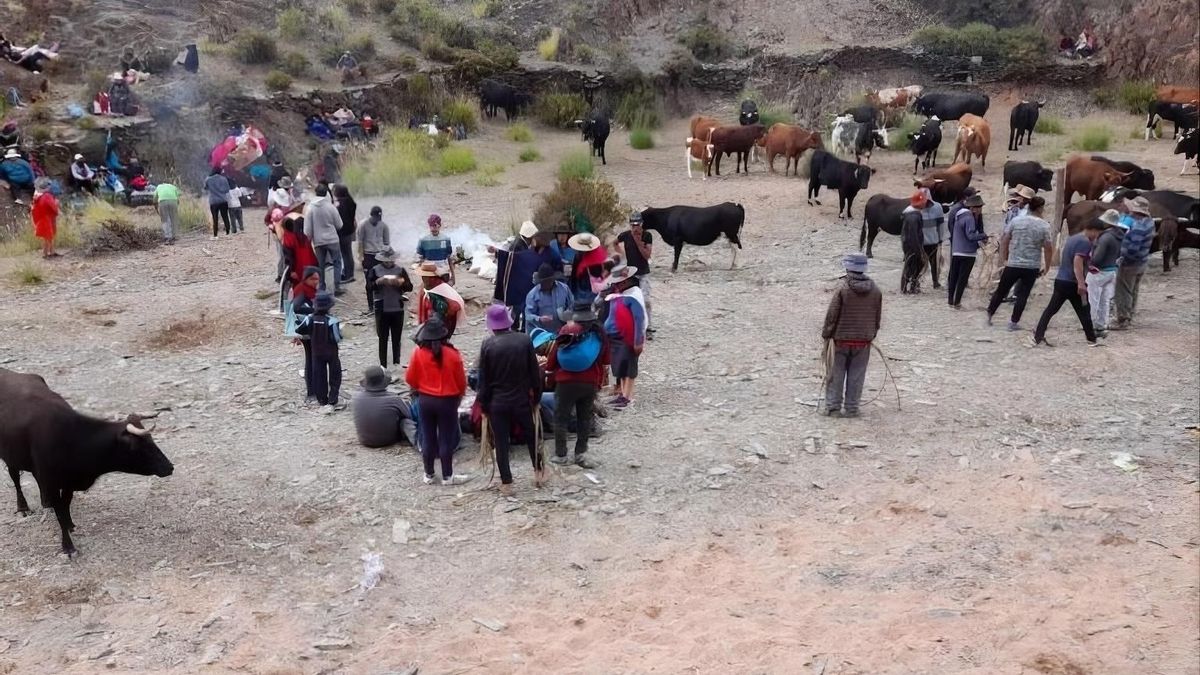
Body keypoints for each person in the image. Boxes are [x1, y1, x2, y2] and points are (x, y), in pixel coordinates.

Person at [477, 305, 544, 495]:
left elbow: (485, 381)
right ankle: (538, 473)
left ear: (492, 325)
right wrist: (536, 398)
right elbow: (534, 374)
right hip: (522, 400)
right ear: (508, 321)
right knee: (532, 436)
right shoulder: (524, 340)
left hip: (498, 403)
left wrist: (483, 405)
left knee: (501, 442)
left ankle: (507, 483)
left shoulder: (488, 345)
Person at [405, 316, 470, 486]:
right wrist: (460, 396)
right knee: (445, 438)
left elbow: (410, 379)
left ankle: (429, 474)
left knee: (428, 436)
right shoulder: (453, 355)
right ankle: (448, 476)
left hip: (426, 400)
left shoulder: (418, 353)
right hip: (448, 401)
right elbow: (461, 381)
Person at [545, 303, 609, 468]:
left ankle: (561, 455)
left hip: (566, 383)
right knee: (584, 418)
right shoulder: (599, 333)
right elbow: (606, 360)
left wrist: (549, 370)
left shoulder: (567, 332)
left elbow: (553, 359)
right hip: (590, 382)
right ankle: (580, 454)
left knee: (561, 418)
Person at [821, 253, 883, 418]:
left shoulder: (843, 289)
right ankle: (852, 408)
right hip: (863, 341)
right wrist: (871, 334)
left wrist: (827, 335)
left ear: (848, 268)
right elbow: (877, 317)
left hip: (840, 340)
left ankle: (833, 408)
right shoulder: (875, 290)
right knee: (857, 375)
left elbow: (832, 315)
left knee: (836, 374)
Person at [986, 195, 1054, 330]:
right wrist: (1047, 266)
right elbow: (1048, 248)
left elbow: (1005, 239)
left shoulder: (1016, 221)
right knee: (1023, 294)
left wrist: (1003, 258)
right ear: (1040, 209)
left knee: (1001, 291)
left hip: (1013, 263)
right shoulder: (1044, 226)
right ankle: (1013, 322)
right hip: (1031, 265)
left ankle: (989, 314)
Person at [1033, 220, 1101, 346]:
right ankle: (1091, 338)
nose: (1097, 236)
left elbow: (1071, 259)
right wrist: (1081, 283)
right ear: (1092, 229)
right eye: (1097, 233)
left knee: (1050, 310)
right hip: (1073, 282)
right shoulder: (1085, 242)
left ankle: (1038, 335)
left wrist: (1091, 268)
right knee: (1084, 309)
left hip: (1061, 280)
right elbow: (1077, 262)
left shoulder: (1072, 238)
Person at [602, 263, 647, 409]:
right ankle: (622, 394)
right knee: (620, 366)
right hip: (616, 338)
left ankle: (628, 396)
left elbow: (639, 319)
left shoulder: (633, 296)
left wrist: (638, 341)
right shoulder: (619, 296)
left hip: (627, 337)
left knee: (629, 368)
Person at [1112, 197, 1155, 331]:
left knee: (1123, 290)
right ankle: (1129, 315)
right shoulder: (1149, 222)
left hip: (1130, 264)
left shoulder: (1137, 227)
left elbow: (1133, 249)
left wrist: (1123, 259)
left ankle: (1123, 319)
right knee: (1133, 290)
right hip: (1142, 261)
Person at [295, 291, 343, 409]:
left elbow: (300, 330)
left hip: (316, 352)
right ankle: (333, 398)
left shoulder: (310, 318)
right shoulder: (332, 320)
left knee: (319, 375)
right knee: (335, 375)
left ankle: (322, 399)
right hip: (331, 352)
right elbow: (337, 338)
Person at [367, 248, 412, 370]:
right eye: (386, 261)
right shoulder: (374, 270)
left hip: (397, 307)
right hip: (381, 308)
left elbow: (409, 287)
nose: (388, 263)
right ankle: (383, 365)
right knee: (382, 337)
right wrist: (378, 282)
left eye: (390, 261)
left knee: (397, 337)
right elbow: (369, 288)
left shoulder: (400, 270)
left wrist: (401, 282)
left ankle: (396, 362)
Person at [352, 366, 419, 449]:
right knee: (405, 421)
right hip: (388, 440)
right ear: (383, 381)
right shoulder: (393, 399)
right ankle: (419, 443)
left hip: (364, 440)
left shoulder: (357, 398)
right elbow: (409, 416)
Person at [946, 193, 989, 308]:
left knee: (953, 277)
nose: (980, 210)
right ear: (974, 208)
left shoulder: (958, 216)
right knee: (962, 279)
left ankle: (950, 300)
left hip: (956, 251)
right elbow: (970, 236)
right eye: (979, 207)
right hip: (967, 254)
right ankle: (957, 302)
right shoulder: (970, 218)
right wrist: (983, 236)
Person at [1086, 209, 1123, 336]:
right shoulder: (1119, 235)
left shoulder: (1105, 237)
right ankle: (1101, 326)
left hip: (1099, 272)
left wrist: (1090, 263)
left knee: (1093, 299)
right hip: (1112, 270)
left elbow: (1097, 258)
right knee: (1105, 300)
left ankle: (1089, 325)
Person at [617, 211, 655, 334]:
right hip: (631, 273)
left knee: (646, 300)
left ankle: (648, 325)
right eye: (633, 225)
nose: (635, 228)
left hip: (643, 272)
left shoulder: (647, 236)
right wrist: (621, 259)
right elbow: (614, 243)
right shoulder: (626, 235)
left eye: (637, 225)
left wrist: (639, 243)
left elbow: (647, 256)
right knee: (629, 300)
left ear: (641, 224)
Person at [303, 183, 345, 294]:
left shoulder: (310, 208)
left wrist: (310, 238)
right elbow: (339, 224)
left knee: (320, 265)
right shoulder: (331, 207)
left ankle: (321, 286)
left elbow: (307, 229)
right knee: (337, 262)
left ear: (315, 193)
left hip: (318, 241)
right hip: (332, 240)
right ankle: (337, 286)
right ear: (326, 193)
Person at [290, 266, 321, 404]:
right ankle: (311, 392)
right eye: (313, 279)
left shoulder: (309, 290)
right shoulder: (302, 290)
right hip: (306, 330)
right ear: (306, 279)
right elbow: (296, 307)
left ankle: (315, 389)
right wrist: (316, 309)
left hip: (311, 328)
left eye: (317, 279)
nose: (316, 282)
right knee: (311, 359)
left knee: (313, 359)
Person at [413, 261, 465, 336]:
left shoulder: (441, 288)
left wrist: (441, 315)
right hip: (429, 324)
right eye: (423, 276)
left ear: (431, 277)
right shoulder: (424, 288)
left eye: (425, 276)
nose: (423, 278)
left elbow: (455, 306)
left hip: (441, 325)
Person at [357, 205, 391, 312]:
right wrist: (361, 256)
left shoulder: (384, 226)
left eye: (379, 218)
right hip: (368, 255)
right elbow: (360, 242)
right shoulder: (363, 225)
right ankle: (370, 306)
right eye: (375, 218)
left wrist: (387, 256)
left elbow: (387, 242)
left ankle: (381, 304)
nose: (377, 220)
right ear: (371, 216)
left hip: (380, 256)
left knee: (381, 281)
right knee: (369, 282)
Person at [524, 263, 572, 333]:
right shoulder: (533, 294)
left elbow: (572, 305)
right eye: (543, 282)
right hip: (543, 335)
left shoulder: (564, 288)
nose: (545, 284)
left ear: (553, 279)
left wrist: (568, 316)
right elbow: (528, 315)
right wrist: (539, 319)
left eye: (547, 281)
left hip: (563, 331)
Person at [916, 188, 947, 288]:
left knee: (934, 262)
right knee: (919, 262)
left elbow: (940, 224)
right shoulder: (915, 207)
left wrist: (940, 238)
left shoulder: (937, 207)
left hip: (933, 240)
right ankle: (916, 281)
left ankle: (935, 281)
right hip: (920, 241)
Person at [568, 232, 608, 304]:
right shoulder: (599, 253)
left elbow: (574, 275)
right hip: (598, 286)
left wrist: (572, 290)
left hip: (584, 287)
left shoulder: (579, 256)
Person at [899, 190, 926, 294]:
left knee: (911, 264)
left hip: (908, 244)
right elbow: (914, 235)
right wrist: (918, 250)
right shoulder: (914, 217)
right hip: (912, 245)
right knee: (913, 264)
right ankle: (908, 286)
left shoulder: (911, 214)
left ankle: (909, 286)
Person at [416, 213, 455, 282]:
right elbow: (421, 259)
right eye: (431, 226)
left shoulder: (446, 239)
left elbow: (449, 258)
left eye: (435, 226)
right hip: (428, 271)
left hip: (443, 270)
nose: (433, 228)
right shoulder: (423, 240)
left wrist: (453, 277)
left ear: (439, 225)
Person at [333, 184, 357, 283]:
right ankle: (349, 273)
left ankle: (348, 275)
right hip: (350, 231)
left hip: (342, 232)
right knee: (349, 253)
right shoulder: (351, 202)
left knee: (345, 254)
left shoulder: (340, 205)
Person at [31, 178, 60, 259]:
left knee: (46, 236)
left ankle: (49, 252)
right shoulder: (47, 196)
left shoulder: (37, 197)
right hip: (47, 218)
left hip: (41, 218)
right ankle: (47, 253)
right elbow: (52, 206)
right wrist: (56, 204)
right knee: (48, 236)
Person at [204, 167, 232, 239]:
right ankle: (228, 232)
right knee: (225, 216)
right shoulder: (224, 179)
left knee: (215, 218)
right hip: (223, 200)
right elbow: (227, 190)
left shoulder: (208, 179)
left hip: (213, 201)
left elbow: (205, 188)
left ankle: (215, 234)